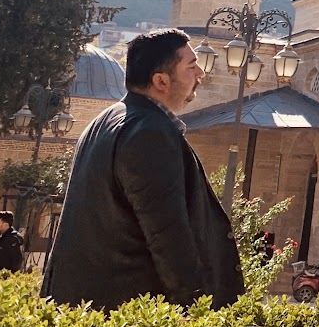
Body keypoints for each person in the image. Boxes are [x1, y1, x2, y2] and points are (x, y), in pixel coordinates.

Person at [42, 28, 242, 310]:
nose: (201, 74)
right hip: (126, 311)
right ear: (161, 80)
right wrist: (195, 308)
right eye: (191, 66)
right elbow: (167, 234)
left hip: (94, 305)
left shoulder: (109, 119)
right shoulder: (149, 133)